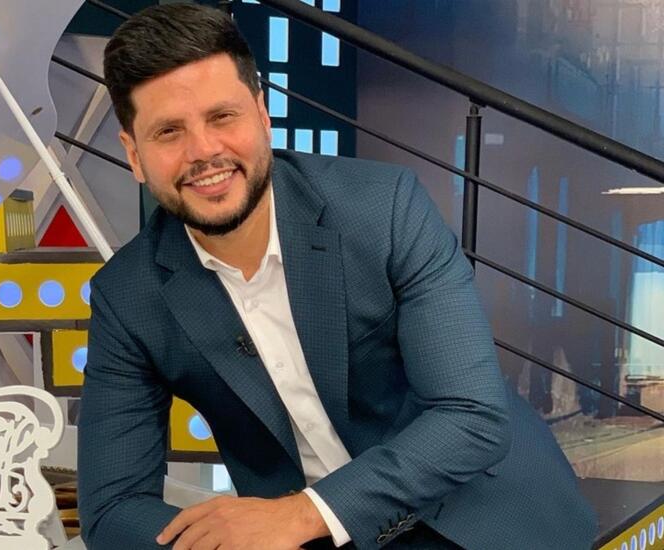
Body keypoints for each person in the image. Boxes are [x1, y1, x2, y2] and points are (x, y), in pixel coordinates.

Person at [77, 4, 597, 549]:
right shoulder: (128, 296)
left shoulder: (385, 209)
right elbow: (112, 509)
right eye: (168, 131)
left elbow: (469, 416)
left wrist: (300, 515)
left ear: (262, 113)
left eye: (222, 117)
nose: (204, 151)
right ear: (134, 155)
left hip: (479, 512)